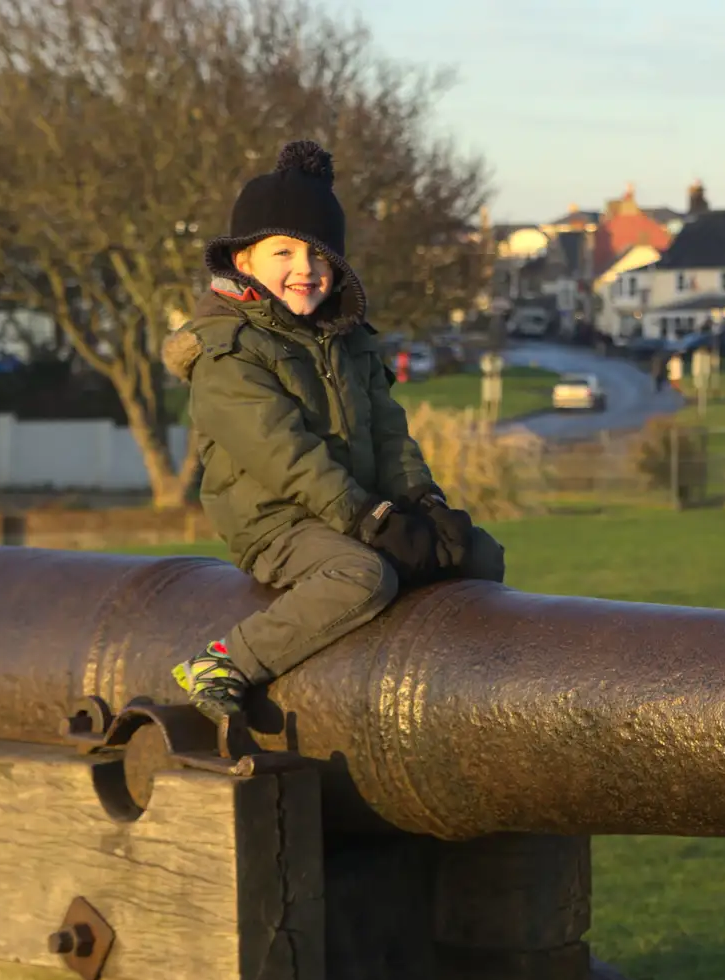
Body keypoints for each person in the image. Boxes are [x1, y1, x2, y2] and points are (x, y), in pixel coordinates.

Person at [160, 140, 505, 723]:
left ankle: (460, 693)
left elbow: (391, 433)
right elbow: (284, 456)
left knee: (476, 551)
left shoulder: (348, 340)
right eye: (283, 252)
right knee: (360, 576)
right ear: (243, 260)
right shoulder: (228, 354)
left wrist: (423, 501)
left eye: (320, 256)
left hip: (364, 505)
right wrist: (368, 520)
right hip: (278, 519)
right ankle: (224, 663)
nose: (305, 269)